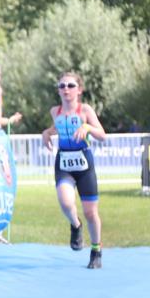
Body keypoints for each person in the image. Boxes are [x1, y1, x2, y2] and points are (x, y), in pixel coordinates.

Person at [41, 72, 107, 269]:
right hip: (64, 163)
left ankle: (96, 250)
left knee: (90, 212)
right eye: (62, 86)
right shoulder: (55, 111)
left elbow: (102, 135)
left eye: (70, 85)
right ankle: (75, 225)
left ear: (79, 90)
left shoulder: (85, 110)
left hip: (84, 163)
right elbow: (57, 127)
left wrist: (87, 127)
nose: (66, 89)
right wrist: (46, 132)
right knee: (65, 201)